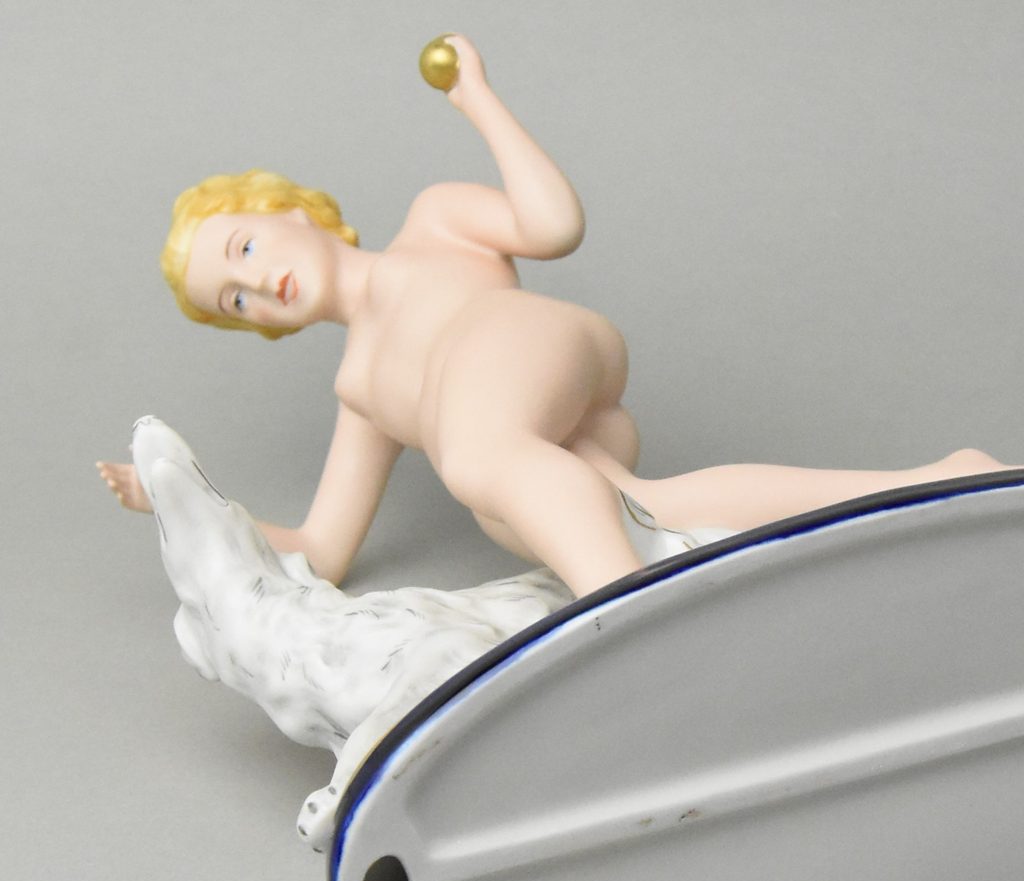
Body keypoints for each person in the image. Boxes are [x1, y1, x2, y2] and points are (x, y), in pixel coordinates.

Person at [98, 35, 1012, 598]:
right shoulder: (362, 390)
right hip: (534, 439)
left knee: (475, 459)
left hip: (543, 351)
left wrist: (479, 102)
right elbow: (323, 550)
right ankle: (940, 483)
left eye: (244, 248)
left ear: (293, 212)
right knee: (642, 508)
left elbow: (553, 227)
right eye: (236, 300)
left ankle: (622, 609)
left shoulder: (433, 223)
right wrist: (184, 502)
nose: (257, 286)